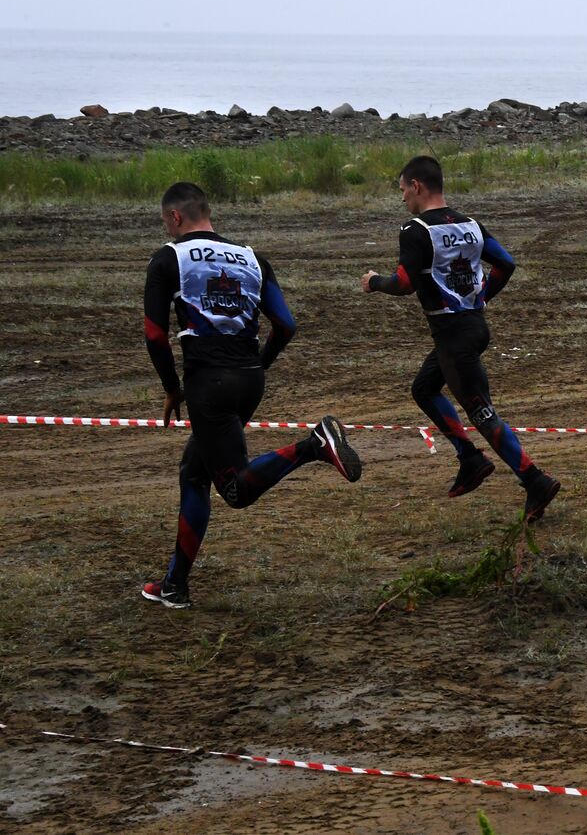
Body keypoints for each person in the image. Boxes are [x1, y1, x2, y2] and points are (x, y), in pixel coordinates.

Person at [142, 182, 362, 609]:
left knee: (236, 490)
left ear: (174, 218)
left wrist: (172, 388)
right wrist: (259, 366)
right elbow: (286, 325)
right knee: (194, 470)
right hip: (249, 381)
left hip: (210, 386)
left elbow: (154, 336)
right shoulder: (251, 258)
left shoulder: (168, 258)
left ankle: (313, 445)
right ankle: (174, 585)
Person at [361, 156, 559, 522]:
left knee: (483, 413)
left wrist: (375, 282)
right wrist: (480, 298)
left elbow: (404, 283)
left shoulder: (415, 230)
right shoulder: (471, 225)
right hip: (472, 328)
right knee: (424, 388)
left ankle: (535, 479)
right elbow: (506, 264)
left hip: (454, 338)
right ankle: (469, 458)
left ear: (417, 186)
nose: (402, 197)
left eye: (403, 189)